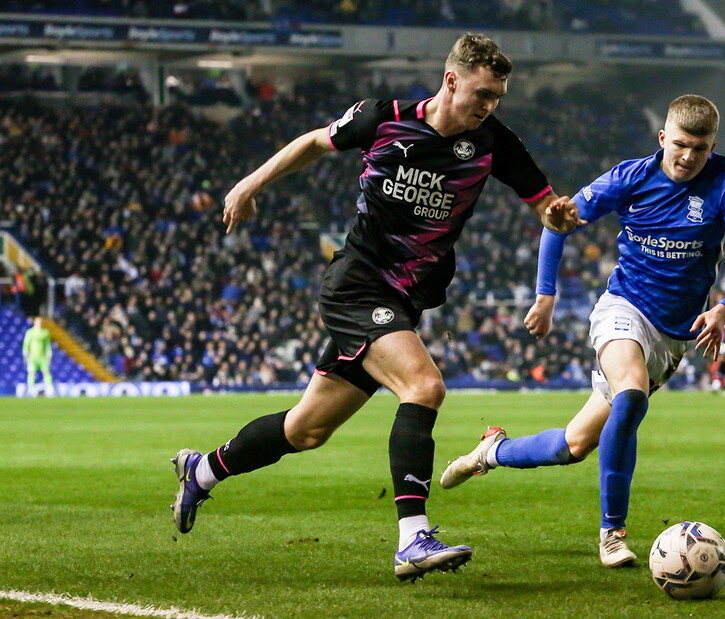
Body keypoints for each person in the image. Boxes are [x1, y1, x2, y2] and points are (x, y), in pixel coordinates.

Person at [169, 33, 582, 582]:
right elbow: (316, 142)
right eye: (482, 93)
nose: (489, 106)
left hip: (403, 299)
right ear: (451, 80)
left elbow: (544, 205)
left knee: (305, 430)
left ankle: (204, 470)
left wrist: (555, 218)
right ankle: (413, 537)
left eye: (498, 97)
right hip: (357, 284)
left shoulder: (496, 143)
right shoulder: (381, 117)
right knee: (424, 387)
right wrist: (251, 182)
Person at [440, 94, 725, 567]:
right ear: (663, 138)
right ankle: (612, 533)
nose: (689, 157)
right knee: (631, 393)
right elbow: (559, 222)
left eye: (700, 148)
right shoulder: (630, 177)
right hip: (623, 309)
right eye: (680, 145)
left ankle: (490, 452)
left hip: (672, 338)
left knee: (572, 445)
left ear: (712, 146)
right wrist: (545, 296)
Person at [22, 316, 55, 396]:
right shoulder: (30, 332)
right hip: (32, 357)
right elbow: (26, 344)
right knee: (31, 373)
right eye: (38, 323)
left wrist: (49, 354)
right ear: (34, 323)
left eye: (40, 323)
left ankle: (50, 389)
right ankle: (31, 389)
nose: (39, 324)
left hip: (42, 357)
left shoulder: (45, 332)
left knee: (46, 372)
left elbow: (47, 344)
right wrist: (25, 355)